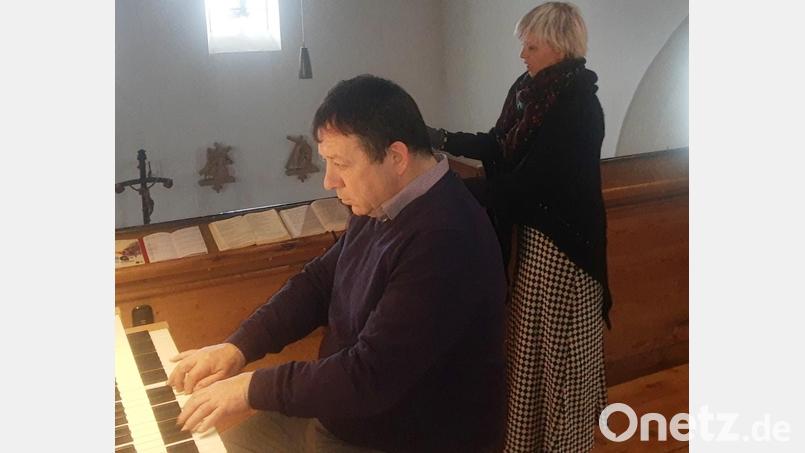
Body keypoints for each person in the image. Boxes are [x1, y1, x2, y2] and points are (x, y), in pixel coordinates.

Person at [168, 74, 508, 452]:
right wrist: (238, 348)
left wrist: (252, 387)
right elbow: (319, 282)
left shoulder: (447, 238)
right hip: (344, 416)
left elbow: (369, 377)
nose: (329, 180)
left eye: (340, 163)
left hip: (402, 437)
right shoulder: (382, 202)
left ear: (396, 157)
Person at [427, 2, 611, 451]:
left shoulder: (579, 107)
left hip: (564, 250)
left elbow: (528, 187)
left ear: (561, 47)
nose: (522, 55)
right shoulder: (530, 92)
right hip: (533, 238)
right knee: (529, 352)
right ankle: (527, 442)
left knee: (560, 361)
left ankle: (564, 444)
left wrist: (450, 193)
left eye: (532, 45)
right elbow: (498, 145)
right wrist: (440, 138)